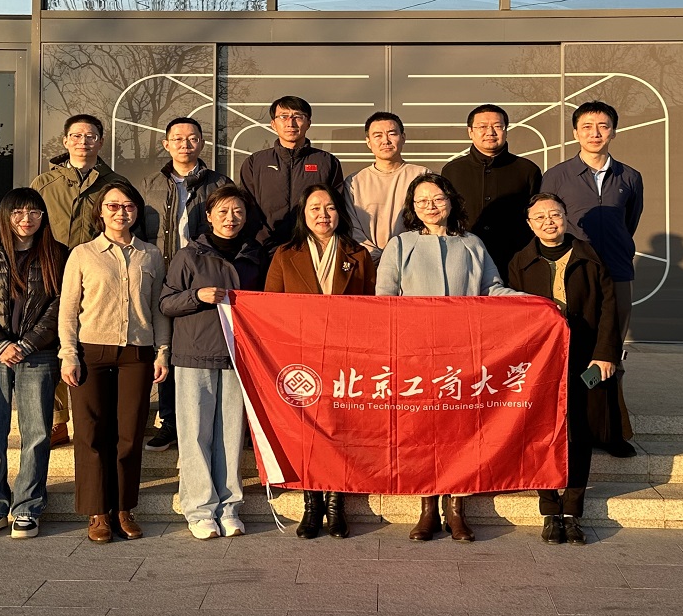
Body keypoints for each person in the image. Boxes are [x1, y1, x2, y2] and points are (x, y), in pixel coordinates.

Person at [376, 172, 523, 542]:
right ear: (412, 208)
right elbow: (384, 300)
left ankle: (457, 509)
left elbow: (491, 288)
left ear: (451, 201)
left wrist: (528, 302)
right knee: (422, 432)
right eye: (421, 201)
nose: (430, 206)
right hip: (416, 355)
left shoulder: (471, 243)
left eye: (437, 199)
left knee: (461, 431)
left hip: (463, 353)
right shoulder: (401, 244)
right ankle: (427, 507)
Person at [58, 182, 169, 545]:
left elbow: (157, 309)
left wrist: (163, 351)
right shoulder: (82, 254)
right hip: (91, 352)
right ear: (100, 212)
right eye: (113, 206)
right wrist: (68, 354)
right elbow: (68, 310)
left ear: (137, 212)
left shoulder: (151, 255)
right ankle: (97, 512)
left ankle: (123, 508)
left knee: (129, 433)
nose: (121, 212)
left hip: (136, 353)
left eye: (128, 206)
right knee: (90, 432)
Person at [263, 184, 377, 539]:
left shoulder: (358, 254)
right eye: (314, 208)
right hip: (301, 357)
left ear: (340, 212)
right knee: (305, 432)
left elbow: (372, 307)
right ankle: (311, 505)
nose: (323, 215)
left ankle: (336, 504)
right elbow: (271, 307)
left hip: (346, 356)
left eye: (329, 207)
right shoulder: (286, 254)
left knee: (341, 428)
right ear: (303, 214)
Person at [508, 192, 620, 546]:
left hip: (584, 356)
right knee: (540, 430)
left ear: (565, 216)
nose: (548, 222)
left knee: (579, 431)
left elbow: (609, 308)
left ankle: (572, 510)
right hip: (540, 361)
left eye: (554, 214)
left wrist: (605, 354)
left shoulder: (589, 256)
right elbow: (512, 316)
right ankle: (548, 508)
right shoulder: (520, 262)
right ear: (529, 224)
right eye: (539, 217)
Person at [0, 187, 66, 540]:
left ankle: (28, 508)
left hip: (38, 354)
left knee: (37, 433)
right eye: (18, 212)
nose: (26, 219)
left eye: (34, 212)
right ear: (5, 217)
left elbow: (61, 304)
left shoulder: (57, 254)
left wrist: (29, 342)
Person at [160, 184, 266, 539]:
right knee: (196, 434)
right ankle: (199, 509)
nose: (230, 218)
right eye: (222, 211)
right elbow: (166, 303)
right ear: (208, 216)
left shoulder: (254, 256)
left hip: (238, 356)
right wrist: (197, 295)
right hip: (194, 354)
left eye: (237, 212)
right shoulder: (189, 256)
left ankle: (230, 506)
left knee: (230, 436)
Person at [540, 101, 643, 458]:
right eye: (586, 126)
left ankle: (610, 430)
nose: (595, 133)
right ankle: (567, 425)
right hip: (574, 273)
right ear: (575, 133)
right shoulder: (557, 176)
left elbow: (629, 222)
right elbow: (547, 220)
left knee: (610, 350)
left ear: (614, 131)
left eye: (603, 126)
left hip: (616, 271)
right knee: (572, 350)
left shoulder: (629, 177)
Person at [31, 113, 128, 449]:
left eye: (90, 136)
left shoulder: (114, 183)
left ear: (101, 142)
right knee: (54, 342)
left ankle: (100, 412)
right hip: (52, 273)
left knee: (94, 342)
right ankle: (58, 419)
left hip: (100, 276)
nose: (82, 142)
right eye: (76, 136)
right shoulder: (44, 183)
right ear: (65, 141)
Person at [139, 116, 230, 454]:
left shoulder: (219, 183)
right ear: (166, 144)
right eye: (177, 138)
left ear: (202, 143)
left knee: (195, 348)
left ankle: (206, 422)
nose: (185, 144)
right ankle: (168, 421)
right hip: (162, 275)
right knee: (165, 346)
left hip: (202, 277)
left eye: (192, 138)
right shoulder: (150, 184)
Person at [238, 95, 345, 256]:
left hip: (313, 250)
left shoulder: (327, 162)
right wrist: (267, 244)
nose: (290, 123)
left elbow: (336, 206)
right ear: (273, 124)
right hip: (264, 252)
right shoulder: (255, 163)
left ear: (308, 123)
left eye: (298, 117)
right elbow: (247, 207)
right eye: (283, 116)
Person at [441, 104, 541, 274]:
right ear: (470, 132)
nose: (490, 132)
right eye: (482, 127)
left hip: (514, 262)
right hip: (463, 260)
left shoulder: (527, 170)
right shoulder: (452, 170)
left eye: (497, 126)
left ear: (506, 130)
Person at [344, 111, 428, 264]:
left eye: (392, 134)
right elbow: (352, 228)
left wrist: (401, 256)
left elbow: (430, 222)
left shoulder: (422, 175)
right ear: (368, 142)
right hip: (368, 263)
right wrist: (376, 257)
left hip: (413, 262)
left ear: (403, 137)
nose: (386, 141)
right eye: (378, 135)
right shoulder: (354, 182)